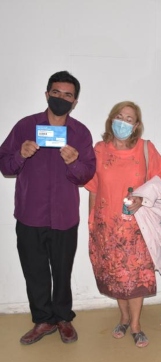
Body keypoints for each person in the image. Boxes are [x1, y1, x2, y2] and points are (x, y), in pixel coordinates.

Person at [0, 70, 96, 344]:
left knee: (63, 271)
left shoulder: (80, 133)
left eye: (68, 95)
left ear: (74, 101)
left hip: (65, 216)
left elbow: (86, 174)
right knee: (35, 271)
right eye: (56, 93)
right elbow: (4, 165)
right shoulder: (25, 126)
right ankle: (43, 320)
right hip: (30, 214)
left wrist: (74, 162)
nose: (61, 98)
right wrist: (20, 154)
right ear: (46, 94)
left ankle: (63, 318)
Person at [85, 101, 161, 348]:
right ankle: (123, 318)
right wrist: (92, 221)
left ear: (137, 125)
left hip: (136, 226)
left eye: (129, 119)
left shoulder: (145, 148)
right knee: (115, 276)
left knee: (136, 276)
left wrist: (143, 199)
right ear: (111, 119)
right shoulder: (99, 149)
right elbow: (93, 188)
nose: (123, 122)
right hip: (107, 226)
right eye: (119, 116)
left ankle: (136, 325)